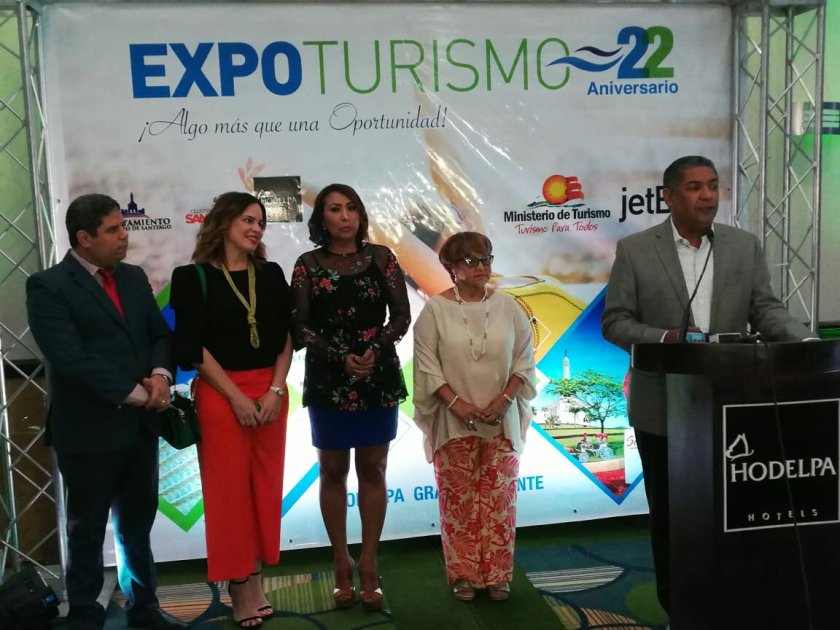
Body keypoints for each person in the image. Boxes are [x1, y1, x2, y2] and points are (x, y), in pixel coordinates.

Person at [601, 155, 813, 614]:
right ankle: (678, 606)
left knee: (731, 512)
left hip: (734, 406)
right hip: (664, 407)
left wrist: (807, 343)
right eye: (695, 187)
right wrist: (668, 339)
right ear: (669, 196)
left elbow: (766, 310)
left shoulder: (742, 246)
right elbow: (615, 322)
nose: (707, 196)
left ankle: (732, 602)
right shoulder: (636, 250)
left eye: (713, 186)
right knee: (673, 516)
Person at [25, 194, 186, 630]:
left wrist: (160, 376)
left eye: (123, 226)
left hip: (139, 428)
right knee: (87, 529)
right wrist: (138, 394)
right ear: (84, 238)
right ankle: (84, 613)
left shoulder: (133, 277)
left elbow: (160, 335)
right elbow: (70, 359)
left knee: (137, 525)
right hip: (88, 432)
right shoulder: (48, 286)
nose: (124, 236)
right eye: (113, 230)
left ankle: (144, 608)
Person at [169, 192, 292, 629]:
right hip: (221, 393)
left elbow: (287, 337)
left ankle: (255, 577)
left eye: (261, 222)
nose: (257, 228)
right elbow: (192, 347)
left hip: (271, 391)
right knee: (228, 493)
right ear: (222, 223)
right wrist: (236, 397)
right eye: (247, 220)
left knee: (264, 488)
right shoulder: (192, 277)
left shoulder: (271, 274)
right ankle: (238, 584)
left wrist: (275, 389)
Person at [290, 183, 410, 612]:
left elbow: (401, 316)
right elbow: (300, 326)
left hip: (378, 372)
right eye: (335, 209)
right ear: (321, 218)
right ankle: (341, 563)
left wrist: (373, 350)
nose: (344, 216)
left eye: (351, 208)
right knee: (333, 470)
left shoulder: (382, 258)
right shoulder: (307, 265)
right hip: (328, 375)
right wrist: (341, 358)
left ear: (360, 215)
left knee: (373, 469)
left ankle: (369, 565)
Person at [413, 232, 536, 602]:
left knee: (500, 500)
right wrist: (457, 404)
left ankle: (498, 576)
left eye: (486, 259)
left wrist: (504, 400)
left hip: (502, 418)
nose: (481, 267)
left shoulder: (509, 307)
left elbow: (524, 360)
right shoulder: (435, 310)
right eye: (471, 260)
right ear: (452, 267)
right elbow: (427, 366)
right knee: (459, 502)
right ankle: (464, 576)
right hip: (453, 421)